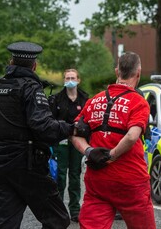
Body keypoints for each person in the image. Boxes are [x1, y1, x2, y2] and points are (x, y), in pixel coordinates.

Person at [0, 41, 72, 229]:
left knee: (6, 223)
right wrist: (70, 128)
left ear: (11, 62)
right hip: (28, 166)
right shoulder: (31, 88)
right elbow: (44, 127)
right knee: (57, 219)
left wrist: (0, 147)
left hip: (0, 166)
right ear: (34, 65)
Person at [71, 52, 156, 229]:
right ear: (138, 73)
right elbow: (132, 136)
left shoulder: (94, 100)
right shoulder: (138, 102)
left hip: (98, 178)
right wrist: (112, 155)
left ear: (117, 71)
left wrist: (90, 151)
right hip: (130, 178)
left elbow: (75, 132)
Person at [48, 68, 88, 222]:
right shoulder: (57, 99)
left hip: (78, 141)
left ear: (78, 80)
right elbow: (51, 121)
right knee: (60, 176)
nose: (69, 80)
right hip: (62, 142)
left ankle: (75, 211)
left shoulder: (85, 98)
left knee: (75, 176)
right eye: (67, 78)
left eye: (72, 77)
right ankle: (58, 210)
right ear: (64, 80)